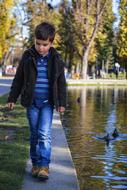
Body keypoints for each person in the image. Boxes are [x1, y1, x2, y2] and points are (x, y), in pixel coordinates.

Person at [7, 22, 67, 180]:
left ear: (51, 43)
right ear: (34, 40)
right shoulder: (28, 56)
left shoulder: (56, 59)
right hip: (31, 103)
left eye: (44, 45)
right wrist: (12, 98)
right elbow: (19, 79)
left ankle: (44, 166)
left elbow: (61, 83)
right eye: (38, 44)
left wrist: (62, 103)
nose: (40, 48)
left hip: (47, 103)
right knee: (34, 134)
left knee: (44, 134)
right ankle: (35, 164)